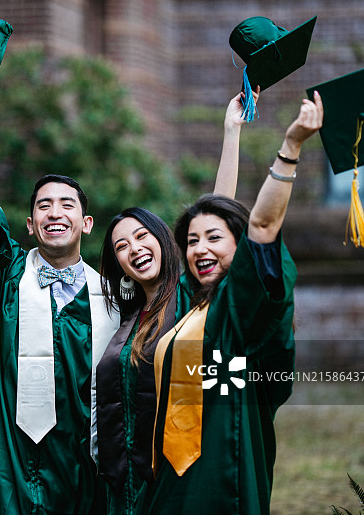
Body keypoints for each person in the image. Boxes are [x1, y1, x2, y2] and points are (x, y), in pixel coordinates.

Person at [0, 74, 121, 514]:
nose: (55, 212)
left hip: (84, 465)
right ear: (30, 225)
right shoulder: (6, 276)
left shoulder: (112, 295)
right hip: (11, 462)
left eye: (68, 205)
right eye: (43, 206)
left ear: (86, 224)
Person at [140, 92, 323, 514]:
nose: (199, 248)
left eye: (214, 239)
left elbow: (260, 224)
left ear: (241, 251)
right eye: (190, 242)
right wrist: (231, 133)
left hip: (224, 477)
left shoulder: (245, 312)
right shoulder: (192, 306)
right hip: (171, 483)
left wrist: (291, 147)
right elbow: (217, 209)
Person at [95, 89, 258, 515]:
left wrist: (230, 133)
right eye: (121, 247)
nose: (134, 248)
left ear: (164, 240)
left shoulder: (188, 296)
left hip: (171, 475)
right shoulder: (128, 318)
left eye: (141, 236)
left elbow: (217, 209)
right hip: (119, 482)